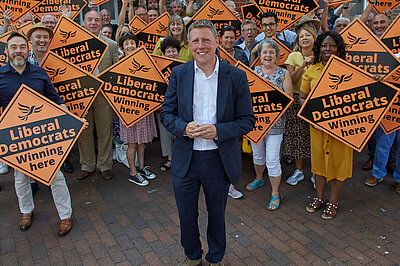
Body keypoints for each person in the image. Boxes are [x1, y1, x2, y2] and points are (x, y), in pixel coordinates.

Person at [160, 19, 255, 265]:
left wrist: (217, 130)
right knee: (186, 214)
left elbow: (247, 121)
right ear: (189, 44)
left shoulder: (236, 76)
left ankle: (215, 258)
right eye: (195, 41)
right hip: (186, 159)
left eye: (206, 40)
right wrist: (184, 127)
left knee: (217, 215)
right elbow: (166, 114)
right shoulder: (178, 74)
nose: (201, 46)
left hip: (218, 159)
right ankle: (193, 256)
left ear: (216, 43)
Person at [0, 32, 73, 236]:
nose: (18, 51)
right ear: (7, 51)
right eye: (13, 47)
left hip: (43, 137)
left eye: (22, 47)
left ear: (28, 49)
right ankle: (26, 211)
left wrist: (70, 119)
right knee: (20, 178)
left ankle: (65, 215)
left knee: (56, 176)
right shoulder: (0, 76)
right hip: (17, 140)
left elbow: (55, 98)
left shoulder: (39, 73)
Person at [300, 31, 350, 220]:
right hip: (318, 128)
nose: (327, 49)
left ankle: (333, 202)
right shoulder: (312, 71)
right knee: (319, 165)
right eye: (324, 46)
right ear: (319, 48)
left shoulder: (348, 71)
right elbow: (302, 97)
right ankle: (319, 197)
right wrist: (314, 117)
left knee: (338, 166)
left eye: (332, 46)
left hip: (341, 130)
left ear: (339, 49)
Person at [246, 39, 293, 210]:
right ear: (260, 55)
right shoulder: (254, 71)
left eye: (271, 52)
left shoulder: (283, 73)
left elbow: (289, 98)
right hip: (256, 125)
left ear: (277, 56)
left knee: (272, 159)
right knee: (257, 155)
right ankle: (259, 178)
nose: (267, 55)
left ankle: (275, 193)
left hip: (275, 125)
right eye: (265, 52)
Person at [78, 10, 118, 180]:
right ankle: (87, 164)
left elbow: (116, 70)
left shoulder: (111, 44)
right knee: (84, 132)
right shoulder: (75, 44)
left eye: (97, 20)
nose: (93, 23)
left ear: (102, 23)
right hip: (82, 95)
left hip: (103, 95)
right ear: (84, 22)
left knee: (105, 130)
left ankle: (105, 165)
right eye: (90, 20)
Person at [117, 33, 158, 186]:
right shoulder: (118, 63)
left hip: (144, 109)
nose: (130, 46)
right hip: (127, 110)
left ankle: (141, 168)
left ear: (136, 44)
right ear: (122, 47)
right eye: (126, 44)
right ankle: (133, 173)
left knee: (142, 142)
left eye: (132, 43)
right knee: (132, 143)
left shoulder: (145, 61)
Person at [283, 26, 316, 186]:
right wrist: (303, 65)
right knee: (297, 137)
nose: (304, 38)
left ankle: (317, 172)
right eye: (301, 36)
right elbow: (291, 80)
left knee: (315, 137)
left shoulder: (321, 57)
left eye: (308, 35)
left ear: (314, 38)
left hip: (315, 101)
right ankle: (299, 171)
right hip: (297, 100)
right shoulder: (294, 56)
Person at [156, 37, 181, 173]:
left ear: (178, 52)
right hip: (163, 106)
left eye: (173, 51)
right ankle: (170, 158)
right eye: (168, 51)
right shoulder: (158, 68)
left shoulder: (185, 66)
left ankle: (179, 158)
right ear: (163, 53)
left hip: (180, 107)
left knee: (179, 133)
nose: (171, 54)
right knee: (165, 133)